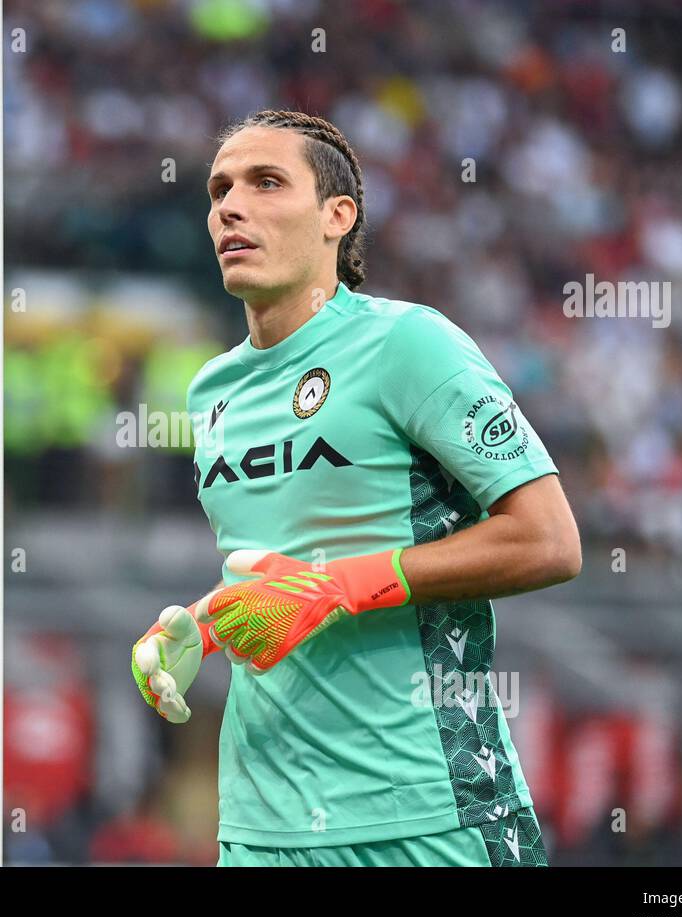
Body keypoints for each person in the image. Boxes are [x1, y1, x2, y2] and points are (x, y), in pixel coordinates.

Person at [132, 109, 581, 867]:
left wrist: (339, 588)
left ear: (338, 216)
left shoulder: (408, 343)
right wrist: (201, 627)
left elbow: (549, 540)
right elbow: (284, 564)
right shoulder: (211, 390)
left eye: (266, 182)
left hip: (427, 813)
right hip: (261, 825)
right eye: (219, 190)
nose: (230, 206)